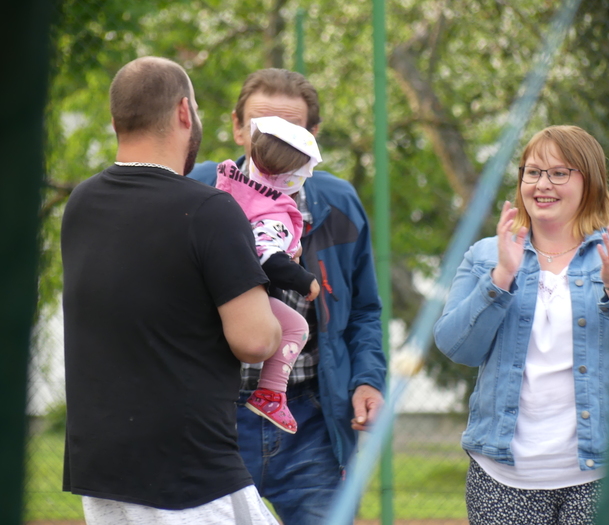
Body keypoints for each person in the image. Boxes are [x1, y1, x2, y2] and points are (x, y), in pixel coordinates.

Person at [61, 56, 282, 524]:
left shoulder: (81, 203)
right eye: (196, 109)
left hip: (101, 464)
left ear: (116, 120)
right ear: (184, 112)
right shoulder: (209, 210)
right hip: (185, 470)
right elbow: (256, 340)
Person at [188, 68, 386, 524]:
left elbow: (364, 310)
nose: (274, 144)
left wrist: (368, 380)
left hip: (310, 420)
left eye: (291, 131)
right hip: (210, 421)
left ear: (313, 136)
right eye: (262, 128)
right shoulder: (197, 188)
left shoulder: (339, 203)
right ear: (238, 127)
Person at [433, 125, 609, 525]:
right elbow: (457, 347)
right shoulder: (486, 254)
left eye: (559, 173)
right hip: (502, 478)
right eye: (533, 172)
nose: (543, 184)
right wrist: (500, 278)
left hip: (604, 473)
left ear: (590, 181)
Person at [216, 115, 323, 434]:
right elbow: (265, 255)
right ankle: (271, 394)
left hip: (218, 286)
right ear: (292, 178)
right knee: (296, 327)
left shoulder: (237, 185)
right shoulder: (273, 212)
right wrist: (303, 278)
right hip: (243, 292)